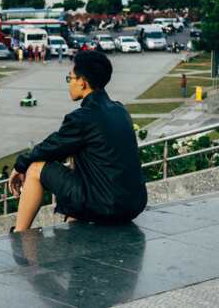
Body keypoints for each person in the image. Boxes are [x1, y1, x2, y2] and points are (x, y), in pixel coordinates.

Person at [9, 51, 147, 232]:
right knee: (79, 169)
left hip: (107, 206)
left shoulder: (83, 117)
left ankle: (19, 235)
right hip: (133, 205)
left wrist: (20, 165)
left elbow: (51, 147)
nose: (70, 83)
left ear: (82, 82)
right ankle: (75, 225)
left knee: (35, 168)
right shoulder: (120, 110)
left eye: (70, 78)